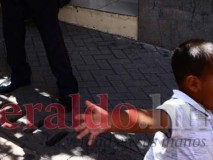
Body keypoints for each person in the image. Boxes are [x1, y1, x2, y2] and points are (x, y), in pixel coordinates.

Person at [75, 39, 213, 159]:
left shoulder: (207, 104)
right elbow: (147, 119)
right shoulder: (181, 110)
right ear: (194, 84)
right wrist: (111, 120)